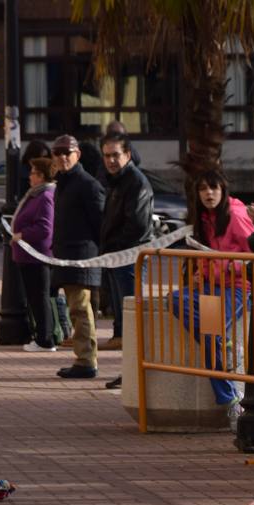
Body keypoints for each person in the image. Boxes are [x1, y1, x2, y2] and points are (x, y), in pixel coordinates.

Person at [181, 169, 254, 428]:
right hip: (211, 287)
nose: (209, 193)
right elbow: (207, 253)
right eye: (203, 189)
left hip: (237, 287)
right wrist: (202, 272)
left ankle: (231, 400)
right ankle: (224, 342)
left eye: (213, 188)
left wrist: (224, 266)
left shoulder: (235, 214)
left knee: (210, 333)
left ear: (223, 191)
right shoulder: (203, 218)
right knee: (177, 299)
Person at [48, 134, 106, 379]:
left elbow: (100, 223)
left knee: (80, 309)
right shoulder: (63, 182)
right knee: (78, 309)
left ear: (77, 155)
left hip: (82, 257)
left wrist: (94, 253)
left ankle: (86, 361)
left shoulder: (87, 184)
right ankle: (84, 358)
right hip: (67, 256)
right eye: (58, 152)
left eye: (67, 152)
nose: (63, 157)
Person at [98, 131, 153, 378]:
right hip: (116, 257)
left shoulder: (135, 182)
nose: (111, 160)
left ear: (127, 155)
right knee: (123, 318)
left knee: (132, 318)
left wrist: (116, 248)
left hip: (129, 258)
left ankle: (135, 375)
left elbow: (138, 225)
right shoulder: (116, 181)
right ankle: (128, 374)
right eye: (106, 155)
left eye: (115, 155)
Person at [11, 157, 57, 351]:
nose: (29, 176)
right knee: (35, 298)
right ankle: (42, 335)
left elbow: (45, 228)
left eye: (33, 173)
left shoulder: (45, 196)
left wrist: (22, 235)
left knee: (39, 297)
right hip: (28, 256)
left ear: (42, 176)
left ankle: (45, 339)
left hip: (37, 256)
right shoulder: (36, 194)